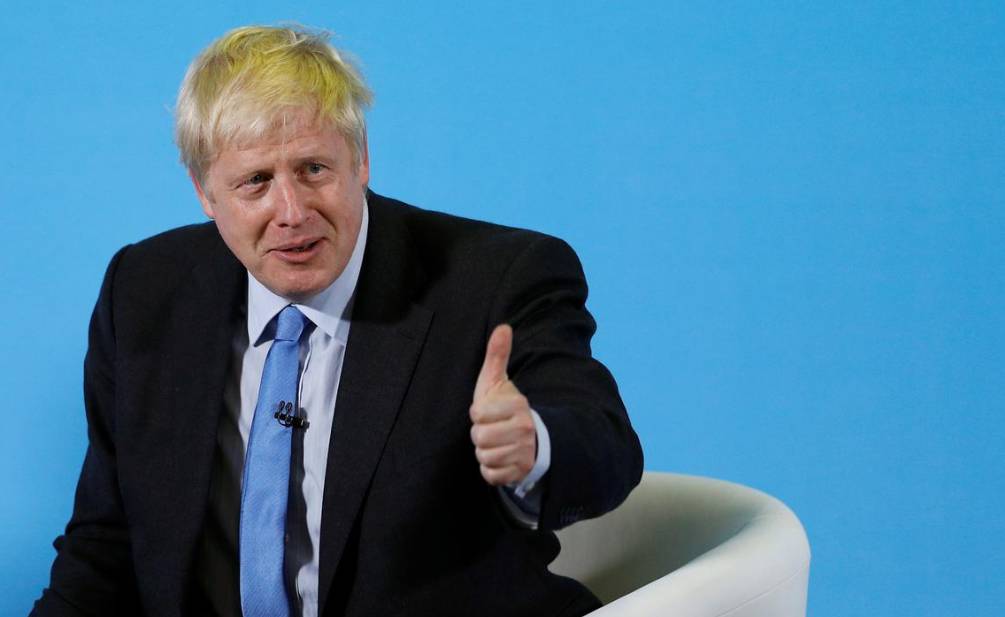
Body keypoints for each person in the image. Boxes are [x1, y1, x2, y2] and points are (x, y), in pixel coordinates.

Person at [33, 24, 642, 617]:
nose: (292, 212)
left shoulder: (497, 278)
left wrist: (534, 444)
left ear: (362, 159)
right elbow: (104, 546)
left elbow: (605, 445)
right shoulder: (145, 291)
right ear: (204, 192)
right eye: (256, 183)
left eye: (313, 169)